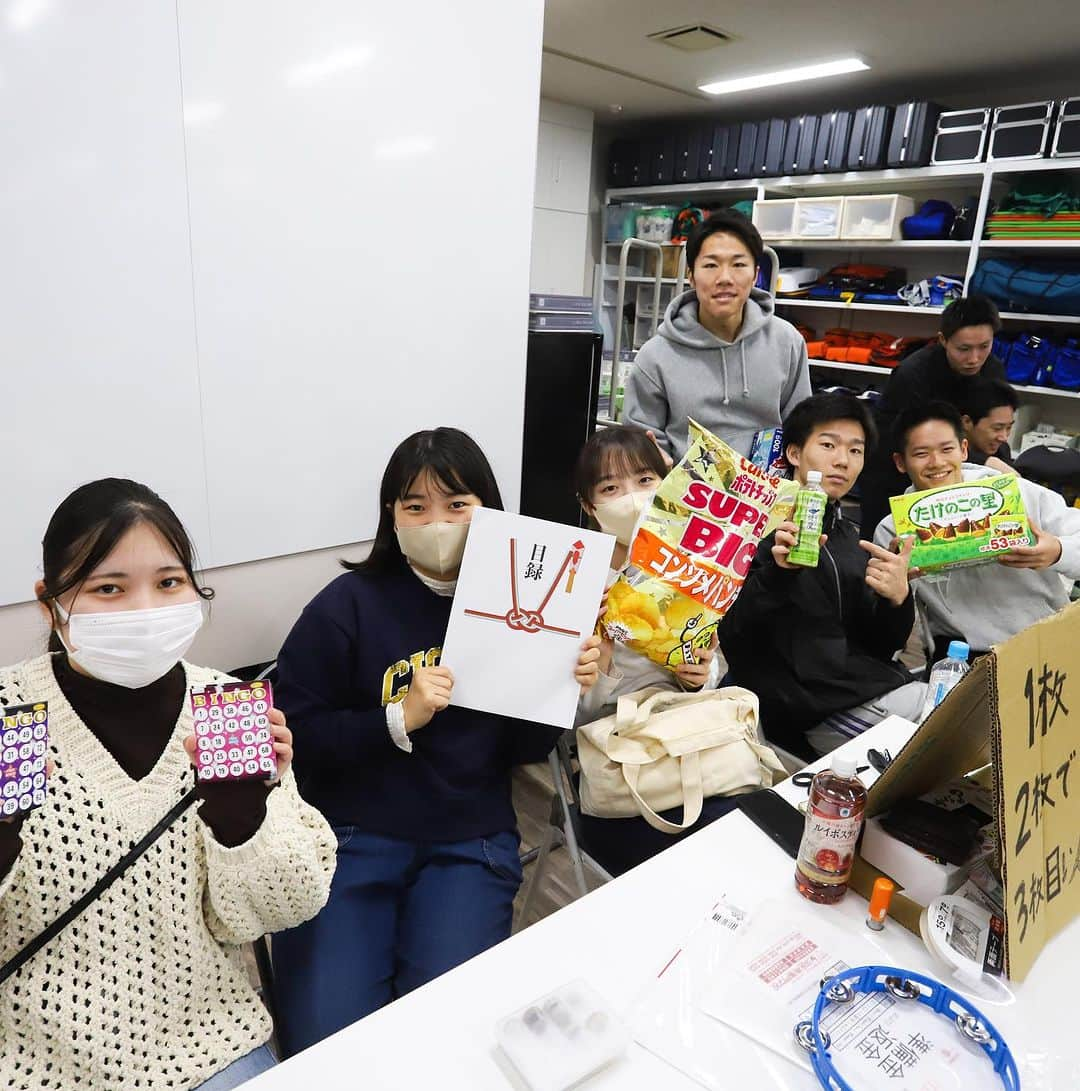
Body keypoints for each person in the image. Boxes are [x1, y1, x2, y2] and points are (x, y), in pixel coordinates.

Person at [271, 427, 602, 1055]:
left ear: (490, 512)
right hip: (349, 836)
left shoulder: (524, 603)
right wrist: (394, 719)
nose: (437, 522)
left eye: (457, 504)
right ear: (390, 517)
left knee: (448, 1036)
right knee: (326, 1041)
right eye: (414, 506)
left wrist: (565, 686)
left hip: (468, 842)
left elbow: (526, 749)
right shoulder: (347, 605)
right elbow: (297, 734)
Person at [0, 479, 336, 1091]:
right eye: (108, 588)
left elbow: (288, 908)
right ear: (50, 603)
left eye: (169, 582)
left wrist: (246, 822)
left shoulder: (228, 706)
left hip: (209, 1049)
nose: (145, 609)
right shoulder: (8, 714)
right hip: (34, 1067)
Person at [719, 393, 924, 757]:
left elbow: (880, 645)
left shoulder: (849, 536)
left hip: (861, 689)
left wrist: (897, 599)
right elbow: (731, 637)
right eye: (828, 444)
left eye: (856, 451)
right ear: (794, 454)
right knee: (942, 731)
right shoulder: (751, 527)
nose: (842, 461)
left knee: (960, 709)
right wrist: (775, 574)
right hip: (810, 713)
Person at [571, 425, 735, 874]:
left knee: (753, 833)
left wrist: (699, 674)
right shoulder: (576, 576)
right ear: (590, 506)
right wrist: (601, 648)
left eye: (645, 481)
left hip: (692, 740)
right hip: (623, 758)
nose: (633, 497)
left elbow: (708, 668)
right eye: (611, 488)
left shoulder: (690, 563)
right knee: (696, 865)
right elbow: (578, 717)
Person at [874, 402, 1080, 660]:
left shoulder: (1015, 494)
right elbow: (896, 625)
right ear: (900, 462)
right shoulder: (893, 529)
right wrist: (897, 591)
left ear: (963, 450)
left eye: (947, 449)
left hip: (1043, 642)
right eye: (921, 453)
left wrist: (1057, 551)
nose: (937, 463)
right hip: (961, 655)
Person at [621, 209, 811, 463]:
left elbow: (801, 428)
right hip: (686, 497)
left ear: (755, 275)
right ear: (691, 276)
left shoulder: (787, 342)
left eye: (738, 265)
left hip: (768, 496)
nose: (725, 278)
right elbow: (642, 444)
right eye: (711, 265)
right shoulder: (656, 356)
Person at [860, 295, 1007, 533]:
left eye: (984, 347)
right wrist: (982, 460)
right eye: (964, 349)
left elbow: (991, 424)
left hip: (956, 465)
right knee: (886, 547)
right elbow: (901, 442)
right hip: (894, 470)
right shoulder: (912, 375)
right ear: (943, 340)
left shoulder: (993, 369)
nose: (974, 358)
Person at [958, 377, 1019, 470]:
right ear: (966, 422)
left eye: (1009, 428)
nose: (1004, 438)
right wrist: (986, 462)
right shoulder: (946, 453)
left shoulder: (1002, 449)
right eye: (997, 428)